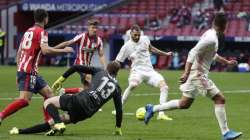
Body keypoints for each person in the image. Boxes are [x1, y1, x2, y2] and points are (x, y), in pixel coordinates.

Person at [144, 13, 243, 140]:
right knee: (220, 99)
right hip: (198, 74)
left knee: (184, 103)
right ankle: (226, 133)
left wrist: (227, 62)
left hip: (196, 73)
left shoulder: (211, 35)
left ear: (214, 23)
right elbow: (192, 52)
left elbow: (212, 55)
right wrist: (186, 72)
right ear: (225, 26)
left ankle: (153, 108)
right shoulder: (211, 38)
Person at [0, 9, 74, 124]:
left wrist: (18, 70)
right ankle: (1, 115)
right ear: (45, 19)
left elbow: (19, 52)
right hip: (28, 71)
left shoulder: (28, 31)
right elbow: (45, 50)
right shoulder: (42, 32)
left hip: (28, 70)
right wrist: (64, 51)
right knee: (24, 100)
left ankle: (48, 122)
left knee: (49, 93)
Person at [9, 61, 123, 136]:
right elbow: (119, 110)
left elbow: (75, 67)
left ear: (107, 67)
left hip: (79, 101)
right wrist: (118, 128)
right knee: (51, 123)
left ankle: (58, 124)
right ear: (116, 73)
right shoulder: (117, 88)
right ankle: (20, 131)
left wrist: (61, 79)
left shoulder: (100, 71)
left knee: (48, 102)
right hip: (87, 113)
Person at [114, 24, 173, 121]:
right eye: (135, 35)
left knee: (164, 87)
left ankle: (161, 114)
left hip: (150, 72)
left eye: (138, 35)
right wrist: (112, 74)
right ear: (130, 34)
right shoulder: (126, 46)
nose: (137, 37)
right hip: (137, 72)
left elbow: (152, 49)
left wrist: (165, 54)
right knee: (133, 85)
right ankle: (118, 109)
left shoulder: (145, 39)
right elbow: (117, 61)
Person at [53, 19, 106, 94]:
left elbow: (101, 55)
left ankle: (64, 91)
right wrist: (53, 48)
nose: (94, 30)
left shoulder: (99, 41)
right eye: (93, 27)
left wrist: (105, 67)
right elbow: (67, 43)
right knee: (91, 79)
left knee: (87, 90)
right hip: (79, 64)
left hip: (88, 67)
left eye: (96, 28)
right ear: (88, 28)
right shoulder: (82, 36)